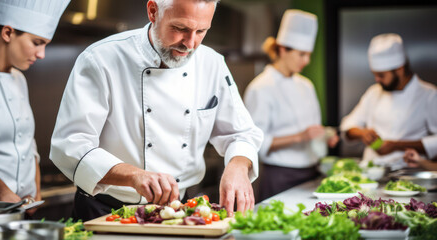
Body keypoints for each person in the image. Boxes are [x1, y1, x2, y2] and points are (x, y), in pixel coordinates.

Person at [50, 0, 263, 221]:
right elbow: (70, 144)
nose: (190, 44)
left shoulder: (212, 64)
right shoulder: (101, 59)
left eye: (201, 31)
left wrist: (238, 165)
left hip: (180, 212)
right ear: (153, 11)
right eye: (180, 28)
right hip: (106, 212)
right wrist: (133, 176)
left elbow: (241, 133)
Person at [0, 0, 69, 214]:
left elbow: (28, 142)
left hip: (18, 206)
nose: (41, 54)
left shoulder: (19, 79)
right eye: (37, 42)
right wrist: (1, 191)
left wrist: (36, 189)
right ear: (7, 33)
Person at [244, 9, 339, 201]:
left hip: (313, 172)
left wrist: (324, 136)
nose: (307, 60)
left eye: (309, 54)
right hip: (280, 176)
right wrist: (300, 137)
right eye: (302, 54)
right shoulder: (260, 87)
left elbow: (314, 128)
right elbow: (254, 142)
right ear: (282, 49)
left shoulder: (306, 85)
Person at [341, 33, 437, 171]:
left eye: (381, 75)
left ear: (399, 69)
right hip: (370, 173)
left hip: (407, 173)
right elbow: (347, 127)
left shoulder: (429, 95)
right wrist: (362, 133)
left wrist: (395, 145)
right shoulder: (373, 92)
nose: (377, 80)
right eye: (374, 74)